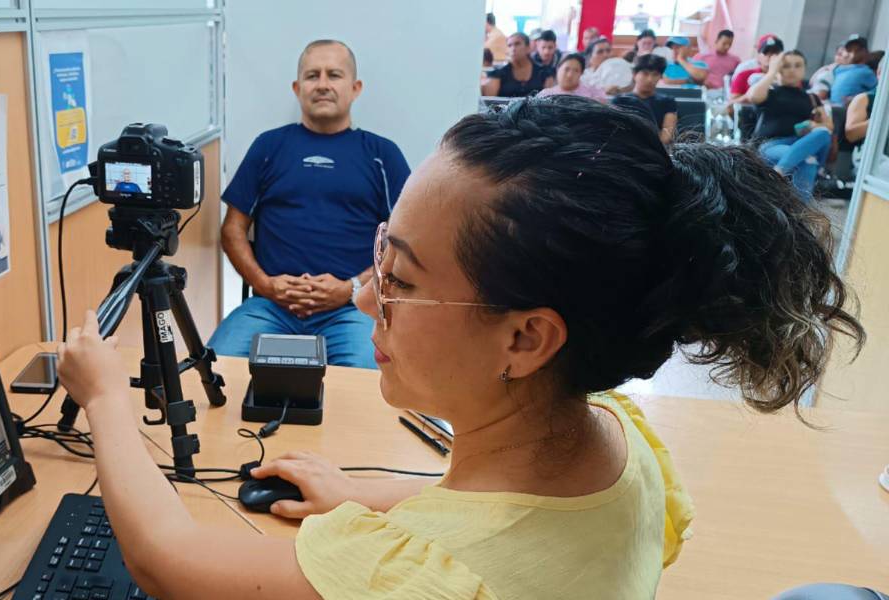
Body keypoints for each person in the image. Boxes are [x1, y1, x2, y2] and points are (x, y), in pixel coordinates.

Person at [55, 94, 863, 600]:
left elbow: (167, 558)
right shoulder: (622, 437)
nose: (366, 295)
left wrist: (101, 395)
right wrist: (367, 500)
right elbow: (511, 524)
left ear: (525, 338)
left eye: (398, 278)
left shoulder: (421, 582)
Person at [208, 40, 410, 369]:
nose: (323, 84)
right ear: (297, 87)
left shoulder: (382, 155)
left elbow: (403, 241)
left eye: (334, 75)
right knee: (215, 371)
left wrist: (351, 288)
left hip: (353, 309)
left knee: (367, 387)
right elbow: (232, 229)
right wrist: (265, 285)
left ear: (355, 88)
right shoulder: (269, 146)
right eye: (312, 75)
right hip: (270, 306)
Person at [750, 51, 833, 199]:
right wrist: (771, 72)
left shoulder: (812, 97)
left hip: (799, 142)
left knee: (823, 133)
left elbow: (828, 126)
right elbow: (753, 97)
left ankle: (778, 174)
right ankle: (800, 213)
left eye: (798, 65)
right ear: (779, 68)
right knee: (808, 161)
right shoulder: (770, 91)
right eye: (786, 66)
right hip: (770, 145)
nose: (792, 70)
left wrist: (813, 125)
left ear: (804, 69)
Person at [613, 54, 678, 144]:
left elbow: (666, 137)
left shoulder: (668, 102)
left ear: (660, 77)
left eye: (655, 74)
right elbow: (615, 133)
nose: (649, 79)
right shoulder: (620, 101)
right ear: (634, 74)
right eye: (645, 73)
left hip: (657, 151)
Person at [483, 33, 555, 97]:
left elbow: (548, 102)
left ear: (528, 48)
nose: (513, 48)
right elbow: (489, 103)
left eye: (517, 44)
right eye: (509, 45)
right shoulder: (497, 74)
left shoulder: (544, 72)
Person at [731, 36, 784, 102]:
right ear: (758, 56)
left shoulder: (788, 77)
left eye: (775, 52)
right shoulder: (744, 75)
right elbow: (732, 103)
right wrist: (753, 94)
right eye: (766, 52)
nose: (770, 55)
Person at [538, 53, 608, 102]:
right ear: (558, 69)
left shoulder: (594, 94)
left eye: (576, 71)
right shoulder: (545, 95)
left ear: (581, 73)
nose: (570, 75)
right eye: (566, 69)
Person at [830, 36, 877, 106]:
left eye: (856, 49)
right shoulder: (839, 69)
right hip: (831, 106)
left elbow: (878, 92)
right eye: (850, 49)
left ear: (864, 51)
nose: (852, 53)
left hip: (847, 110)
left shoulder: (866, 72)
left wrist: (855, 98)